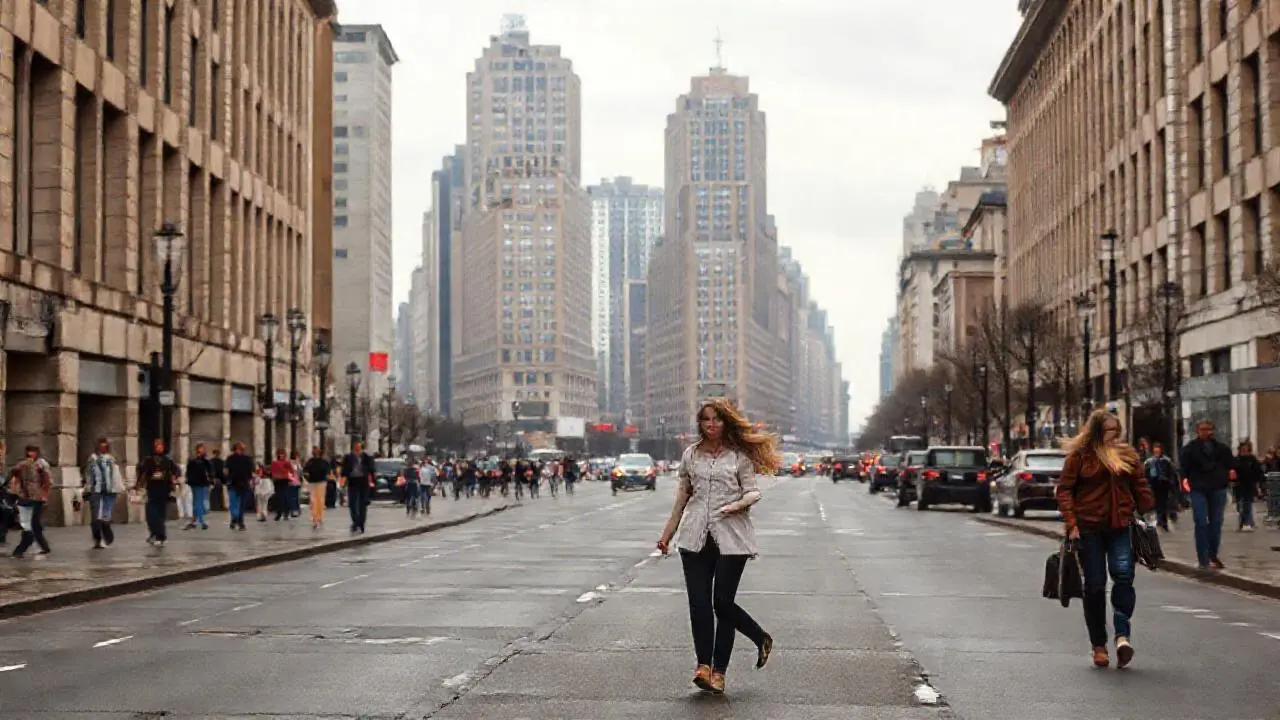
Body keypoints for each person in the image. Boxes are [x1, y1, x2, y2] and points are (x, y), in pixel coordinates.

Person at [657, 397, 778, 695]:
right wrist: (666, 535)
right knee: (699, 604)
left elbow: (753, 492)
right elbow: (681, 499)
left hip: (732, 538)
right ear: (700, 423)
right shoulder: (691, 455)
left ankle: (732, 661)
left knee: (722, 604)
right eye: (706, 419)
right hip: (694, 536)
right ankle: (704, 667)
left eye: (717, 419)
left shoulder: (738, 456)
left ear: (726, 422)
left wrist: (735, 506)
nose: (711, 424)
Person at [1057, 409, 1154, 669]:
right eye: (1110, 430)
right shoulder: (1080, 457)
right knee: (1095, 585)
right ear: (1097, 431)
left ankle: (1122, 637)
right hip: (1089, 527)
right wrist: (1071, 523)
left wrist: (1147, 506)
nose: (1114, 434)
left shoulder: (1126, 454)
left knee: (1123, 577)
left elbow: (1140, 485)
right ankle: (1098, 645)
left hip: (1120, 525)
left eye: (1116, 430)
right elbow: (1064, 490)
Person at [1178, 420, 1234, 570]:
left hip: (1218, 487)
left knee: (1216, 522)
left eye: (1208, 429)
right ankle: (1203, 558)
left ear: (1212, 431)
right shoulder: (1190, 449)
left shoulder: (1222, 449)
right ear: (1197, 431)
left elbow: (1231, 465)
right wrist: (1185, 484)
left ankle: (1213, 555)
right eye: (1202, 429)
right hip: (1198, 488)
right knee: (1201, 521)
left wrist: (1228, 476)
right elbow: (1183, 469)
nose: (1205, 432)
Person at [8, 444, 53, 558]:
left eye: (33, 451)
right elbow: (14, 474)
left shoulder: (42, 464)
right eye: (29, 451)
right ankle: (43, 547)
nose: (30, 454)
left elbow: (47, 481)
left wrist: (44, 496)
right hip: (24, 496)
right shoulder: (22, 464)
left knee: (31, 524)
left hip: (37, 497)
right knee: (31, 524)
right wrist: (19, 468)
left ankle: (21, 550)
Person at [82, 437, 125, 549]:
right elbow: (88, 474)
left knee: (106, 517)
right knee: (95, 517)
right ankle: (97, 539)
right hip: (95, 490)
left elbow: (115, 474)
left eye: (105, 446)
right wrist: (87, 488)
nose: (103, 448)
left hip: (109, 490)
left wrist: (118, 487)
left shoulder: (111, 458)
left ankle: (106, 535)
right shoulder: (92, 458)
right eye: (101, 446)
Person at [138, 439, 181, 546]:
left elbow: (176, 471)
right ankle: (153, 533)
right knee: (151, 514)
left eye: (161, 446)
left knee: (160, 514)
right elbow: (141, 471)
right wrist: (138, 485)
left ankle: (160, 536)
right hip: (151, 489)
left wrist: (174, 477)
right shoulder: (148, 460)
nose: (159, 448)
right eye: (157, 446)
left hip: (163, 489)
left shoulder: (168, 460)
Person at [341, 442, 375, 533]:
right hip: (352, 481)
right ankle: (355, 521)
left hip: (363, 481)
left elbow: (371, 469)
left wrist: (371, 479)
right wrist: (343, 479)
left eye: (359, 447)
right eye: (356, 447)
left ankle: (361, 522)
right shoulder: (348, 457)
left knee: (362, 503)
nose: (357, 448)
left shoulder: (366, 457)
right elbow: (344, 470)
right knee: (352, 503)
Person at [1142, 443, 1177, 531]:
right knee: (1156, 503)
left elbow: (1171, 473)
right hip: (1153, 484)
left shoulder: (1166, 460)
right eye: (1155, 449)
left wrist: (1171, 483)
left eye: (1158, 449)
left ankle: (1163, 521)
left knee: (1163, 503)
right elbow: (1145, 473)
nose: (1157, 451)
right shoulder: (1149, 461)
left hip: (1164, 484)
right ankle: (1159, 520)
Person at [1232, 439, 1263, 532]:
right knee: (1239, 506)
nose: (1244, 450)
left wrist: (1257, 484)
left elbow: (1258, 472)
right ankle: (1244, 523)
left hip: (1249, 485)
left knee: (1247, 505)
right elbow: (1232, 472)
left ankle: (1247, 523)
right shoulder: (1236, 459)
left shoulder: (1252, 459)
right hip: (1238, 485)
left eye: (1246, 448)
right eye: (1242, 448)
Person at [224, 442, 255, 530]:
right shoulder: (230, 458)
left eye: (240, 449)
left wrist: (251, 481)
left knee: (241, 504)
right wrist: (227, 478)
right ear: (234, 449)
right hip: (233, 483)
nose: (239, 450)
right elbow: (226, 470)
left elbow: (251, 471)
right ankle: (234, 518)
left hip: (244, 483)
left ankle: (240, 521)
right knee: (233, 503)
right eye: (237, 448)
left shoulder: (247, 459)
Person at [184, 443, 214, 531]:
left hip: (200, 483)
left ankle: (198, 520)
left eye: (203, 448)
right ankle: (199, 520)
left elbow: (210, 471)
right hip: (195, 483)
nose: (202, 450)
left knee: (198, 502)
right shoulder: (194, 460)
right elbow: (188, 471)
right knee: (197, 502)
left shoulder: (204, 460)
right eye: (201, 448)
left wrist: (210, 480)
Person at [303, 446, 333, 529]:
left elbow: (328, 471)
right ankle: (315, 518)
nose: (314, 452)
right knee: (313, 501)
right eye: (313, 451)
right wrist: (307, 477)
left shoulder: (324, 461)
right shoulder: (310, 461)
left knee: (320, 500)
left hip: (321, 482)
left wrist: (327, 476)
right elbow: (305, 470)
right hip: (312, 482)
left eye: (316, 450)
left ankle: (320, 517)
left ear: (319, 452)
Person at [268, 449, 294, 522]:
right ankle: (279, 513)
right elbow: (272, 472)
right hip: (277, 482)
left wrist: (291, 479)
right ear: (278, 455)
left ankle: (286, 513)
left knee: (285, 497)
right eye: (280, 454)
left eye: (282, 454)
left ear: (284, 455)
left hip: (284, 481)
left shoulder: (287, 462)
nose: (281, 455)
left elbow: (291, 472)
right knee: (278, 498)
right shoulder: (275, 463)